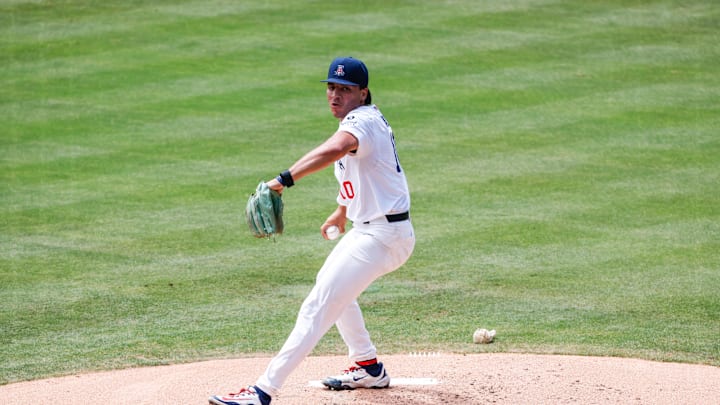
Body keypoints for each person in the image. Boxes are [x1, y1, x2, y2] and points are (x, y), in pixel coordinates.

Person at [209, 56, 415, 405]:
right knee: (333, 289)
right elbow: (361, 172)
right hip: (376, 231)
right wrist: (341, 211)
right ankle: (368, 367)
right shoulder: (362, 121)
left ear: (362, 93)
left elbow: (337, 149)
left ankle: (262, 391)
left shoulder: (360, 121)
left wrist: (283, 180)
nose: (335, 95)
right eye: (331, 87)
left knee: (318, 305)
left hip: (382, 236)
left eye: (345, 89)